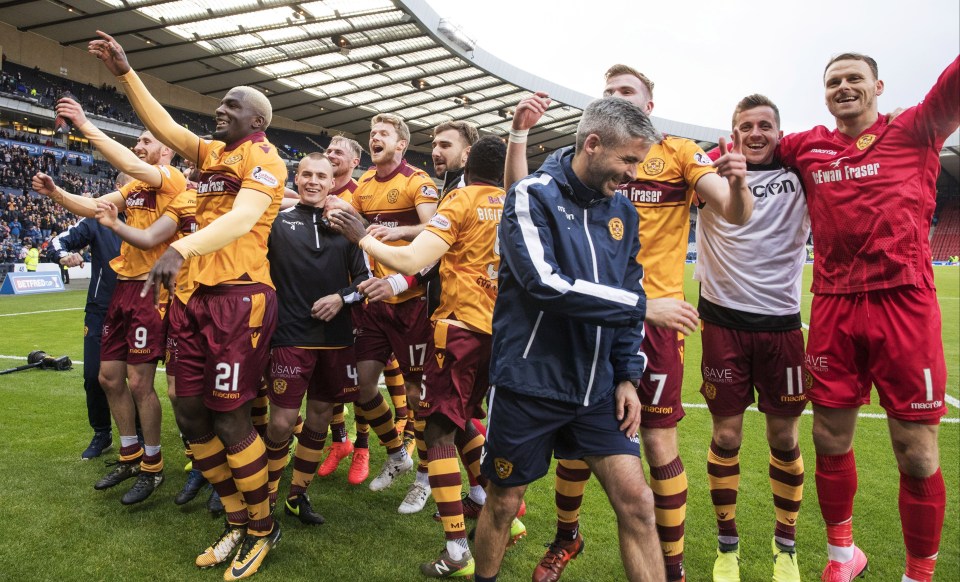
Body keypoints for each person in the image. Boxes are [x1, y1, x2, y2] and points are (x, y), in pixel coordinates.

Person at [504, 64, 752, 582]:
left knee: (656, 445)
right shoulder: (582, 160)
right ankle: (566, 537)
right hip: (588, 315)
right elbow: (520, 199)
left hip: (656, 320)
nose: (617, 96)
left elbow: (731, 212)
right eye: (610, 92)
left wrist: (737, 181)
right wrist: (519, 133)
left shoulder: (680, 152)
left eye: (628, 92)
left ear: (649, 104)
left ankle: (673, 565)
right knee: (577, 445)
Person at [472, 97, 699, 582]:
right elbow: (544, 284)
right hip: (530, 385)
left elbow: (628, 287)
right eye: (628, 160)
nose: (634, 174)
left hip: (596, 390)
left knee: (637, 501)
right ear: (592, 144)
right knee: (504, 502)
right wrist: (643, 309)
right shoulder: (531, 195)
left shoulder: (623, 211)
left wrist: (626, 376)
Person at [89, 30, 287, 580]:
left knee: (229, 416)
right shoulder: (211, 154)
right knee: (190, 413)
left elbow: (243, 219)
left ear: (257, 121)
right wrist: (127, 74)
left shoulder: (266, 159)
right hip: (194, 304)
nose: (220, 110)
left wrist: (179, 247)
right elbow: (164, 128)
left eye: (232, 105)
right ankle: (234, 518)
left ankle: (262, 525)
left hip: (240, 300)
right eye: (222, 103)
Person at [777, 54, 958, 582]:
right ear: (824, 93)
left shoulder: (916, 127)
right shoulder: (806, 147)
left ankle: (917, 575)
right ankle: (842, 557)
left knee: (916, 451)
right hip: (833, 303)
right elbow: (755, 141)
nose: (844, 87)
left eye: (854, 78)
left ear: (878, 86)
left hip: (904, 303)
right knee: (829, 438)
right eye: (833, 81)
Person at [330, 136, 521, 577]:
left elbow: (416, 257)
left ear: (470, 159)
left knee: (437, 431)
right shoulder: (515, 202)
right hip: (500, 333)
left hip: (457, 331)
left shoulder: (460, 199)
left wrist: (362, 237)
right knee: (463, 422)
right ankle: (501, 515)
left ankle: (456, 548)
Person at [32, 98, 186, 506]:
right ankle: (130, 454)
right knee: (107, 378)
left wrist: (84, 123)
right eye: (137, 141)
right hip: (121, 289)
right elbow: (95, 209)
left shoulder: (170, 179)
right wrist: (57, 193)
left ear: (166, 149)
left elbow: (134, 172)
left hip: (151, 292)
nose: (139, 146)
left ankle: (153, 467)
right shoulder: (135, 187)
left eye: (146, 140)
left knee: (140, 382)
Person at [695, 95, 810, 582]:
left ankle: (785, 547)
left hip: (782, 326)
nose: (756, 133)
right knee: (726, 435)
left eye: (766, 125)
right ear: (733, 131)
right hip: (723, 325)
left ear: (779, 133)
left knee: (784, 438)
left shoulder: (800, 174)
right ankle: (728, 547)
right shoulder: (706, 176)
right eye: (747, 126)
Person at [325, 112, 438, 496]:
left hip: (411, 301)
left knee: (417, 391)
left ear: (400, 144)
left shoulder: (417, 181)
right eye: (372, 133)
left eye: (383, 134)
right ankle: (395, 452)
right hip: (375, 301)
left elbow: (437, 229)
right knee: (364, 386)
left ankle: (424, 475)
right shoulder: (366, 183)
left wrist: (398, 231)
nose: (375, 138)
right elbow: (351, 225)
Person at [260, 153, 369, 526]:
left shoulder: (349, 227)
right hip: (290, 335)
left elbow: (365, 281)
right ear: (297, 177)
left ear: (332, 181)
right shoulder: (277, 223)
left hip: (338, 339)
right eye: (306, 174)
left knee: (321, 418)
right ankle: (267, 494)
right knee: (282, 422)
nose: (313, 181)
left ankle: (297, 495)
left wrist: (341, 297)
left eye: (321, 176)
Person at [47, 173, 126, 460]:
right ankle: (102, 433)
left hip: (139, 309)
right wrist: (63, 256)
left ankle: (140, 436)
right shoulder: (95, 216)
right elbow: (58, 242)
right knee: (94, 376)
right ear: (119, 188)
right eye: (132, 183)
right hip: (101, 309)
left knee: (139, 380)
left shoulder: (151, 216)